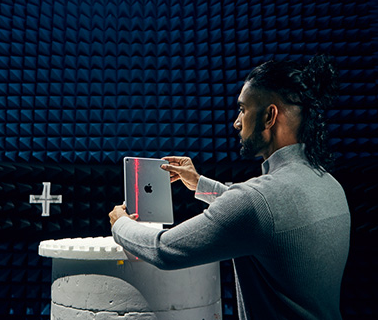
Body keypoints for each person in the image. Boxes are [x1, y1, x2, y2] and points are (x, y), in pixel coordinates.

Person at [109, 56, 351, 319]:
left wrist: (120, 223)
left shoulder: (256, 202)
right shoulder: (330, 184)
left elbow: (164, 250)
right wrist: (199, 183)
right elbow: (267, 217)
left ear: (269, 116)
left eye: (243, 109)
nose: (237, 123)